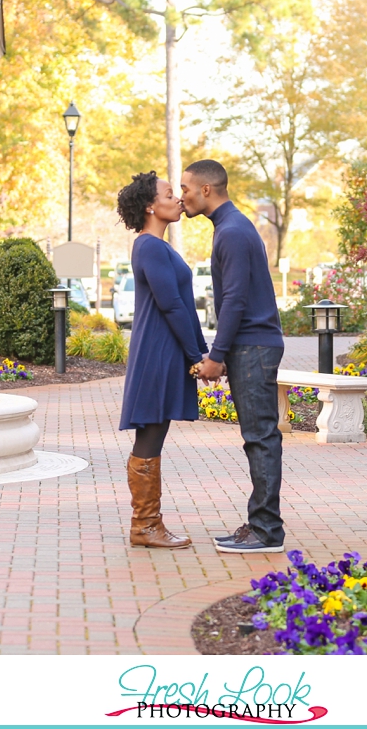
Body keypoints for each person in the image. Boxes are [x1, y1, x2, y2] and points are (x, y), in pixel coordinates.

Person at [181, 157, 285, 552]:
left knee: (260, 439)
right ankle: (259, 523)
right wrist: (221, 353)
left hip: (254, 346)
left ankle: (266, 531)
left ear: (207, 189)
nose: (184, 195)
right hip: (250, 345)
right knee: (256, 438)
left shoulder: (233, 232)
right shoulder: (230, 227)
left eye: (187, 188)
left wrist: (216, 354)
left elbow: (236, 300)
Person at [116, 170, 207, 549]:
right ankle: (145, 525)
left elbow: (181, 305)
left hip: (163, 349)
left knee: (154, 434)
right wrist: (196, 354)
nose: (179, 198)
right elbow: (170, 305)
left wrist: (203, 351)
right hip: (158, 351)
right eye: (171, 194)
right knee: (150, 436)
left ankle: (146, 524)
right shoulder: (149, 246)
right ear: (151, 206)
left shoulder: (159, 246)